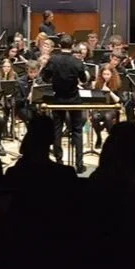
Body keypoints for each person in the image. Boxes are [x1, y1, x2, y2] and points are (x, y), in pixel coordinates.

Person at [42, 34, 88, 174]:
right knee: (77, 131)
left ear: (59, 46)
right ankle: (79, 165)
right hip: (74, 99)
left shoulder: (53, 60)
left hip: (58, 99)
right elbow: (83, 80)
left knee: (57, 129)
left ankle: (59, 161)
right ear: (72, 46)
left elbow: (45, 78)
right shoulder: (77, 62)